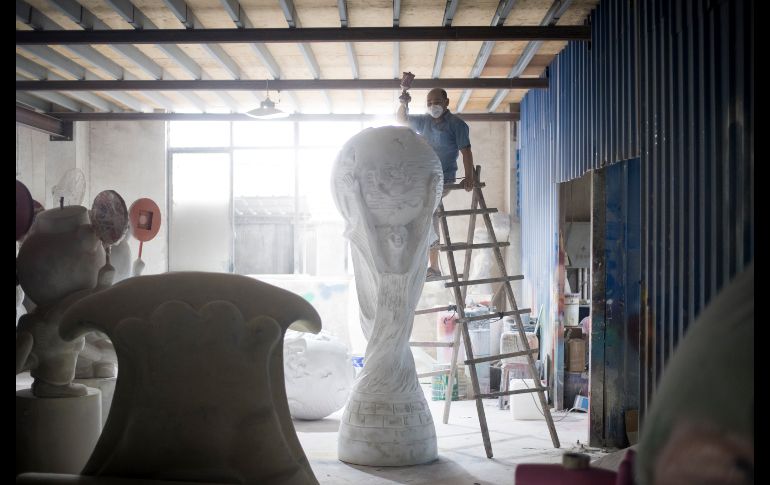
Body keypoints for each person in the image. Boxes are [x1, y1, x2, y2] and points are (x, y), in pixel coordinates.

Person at [396, 88, 476, 278]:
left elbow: (466, 152)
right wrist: (403, 103)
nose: (433, 106)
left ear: (447, 102)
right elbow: (401, 119)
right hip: (424, 175)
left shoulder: (456, 125)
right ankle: (418, 261)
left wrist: (469, 176)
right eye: (429, 103)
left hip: (444, 177)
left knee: (429, 212)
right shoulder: (424, 121)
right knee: (416, 209)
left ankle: (434, 267)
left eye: (437, 102)